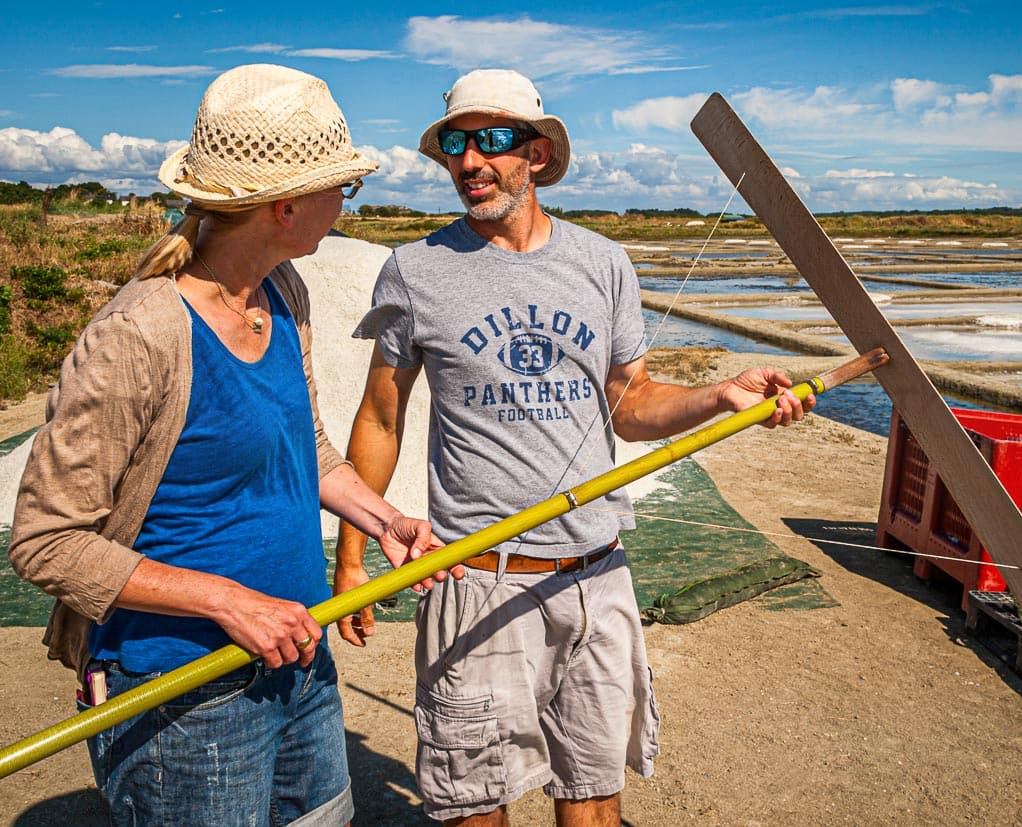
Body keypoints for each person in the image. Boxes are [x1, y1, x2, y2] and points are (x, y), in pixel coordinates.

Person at [334, 68, 812, 826]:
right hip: (477, 579)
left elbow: (631, 401)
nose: (468, 162)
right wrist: (351, 558)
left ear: (537, 153)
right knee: (474, 805)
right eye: (455, 144)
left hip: (595, 576)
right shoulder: (416, 270)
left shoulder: (602, 262)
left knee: (592, 800)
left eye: (491, 141)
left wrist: (720, 395)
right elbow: (381, 418)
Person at [8, 63, 441, 826]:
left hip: (299, 663)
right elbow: (47, 542)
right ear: (283, 206)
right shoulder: (139, 335)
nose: (346, 204)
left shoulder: (284, 294)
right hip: (187, 696)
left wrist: (381, 518)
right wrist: (228, 602)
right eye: (342, 187)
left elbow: (301, 447)